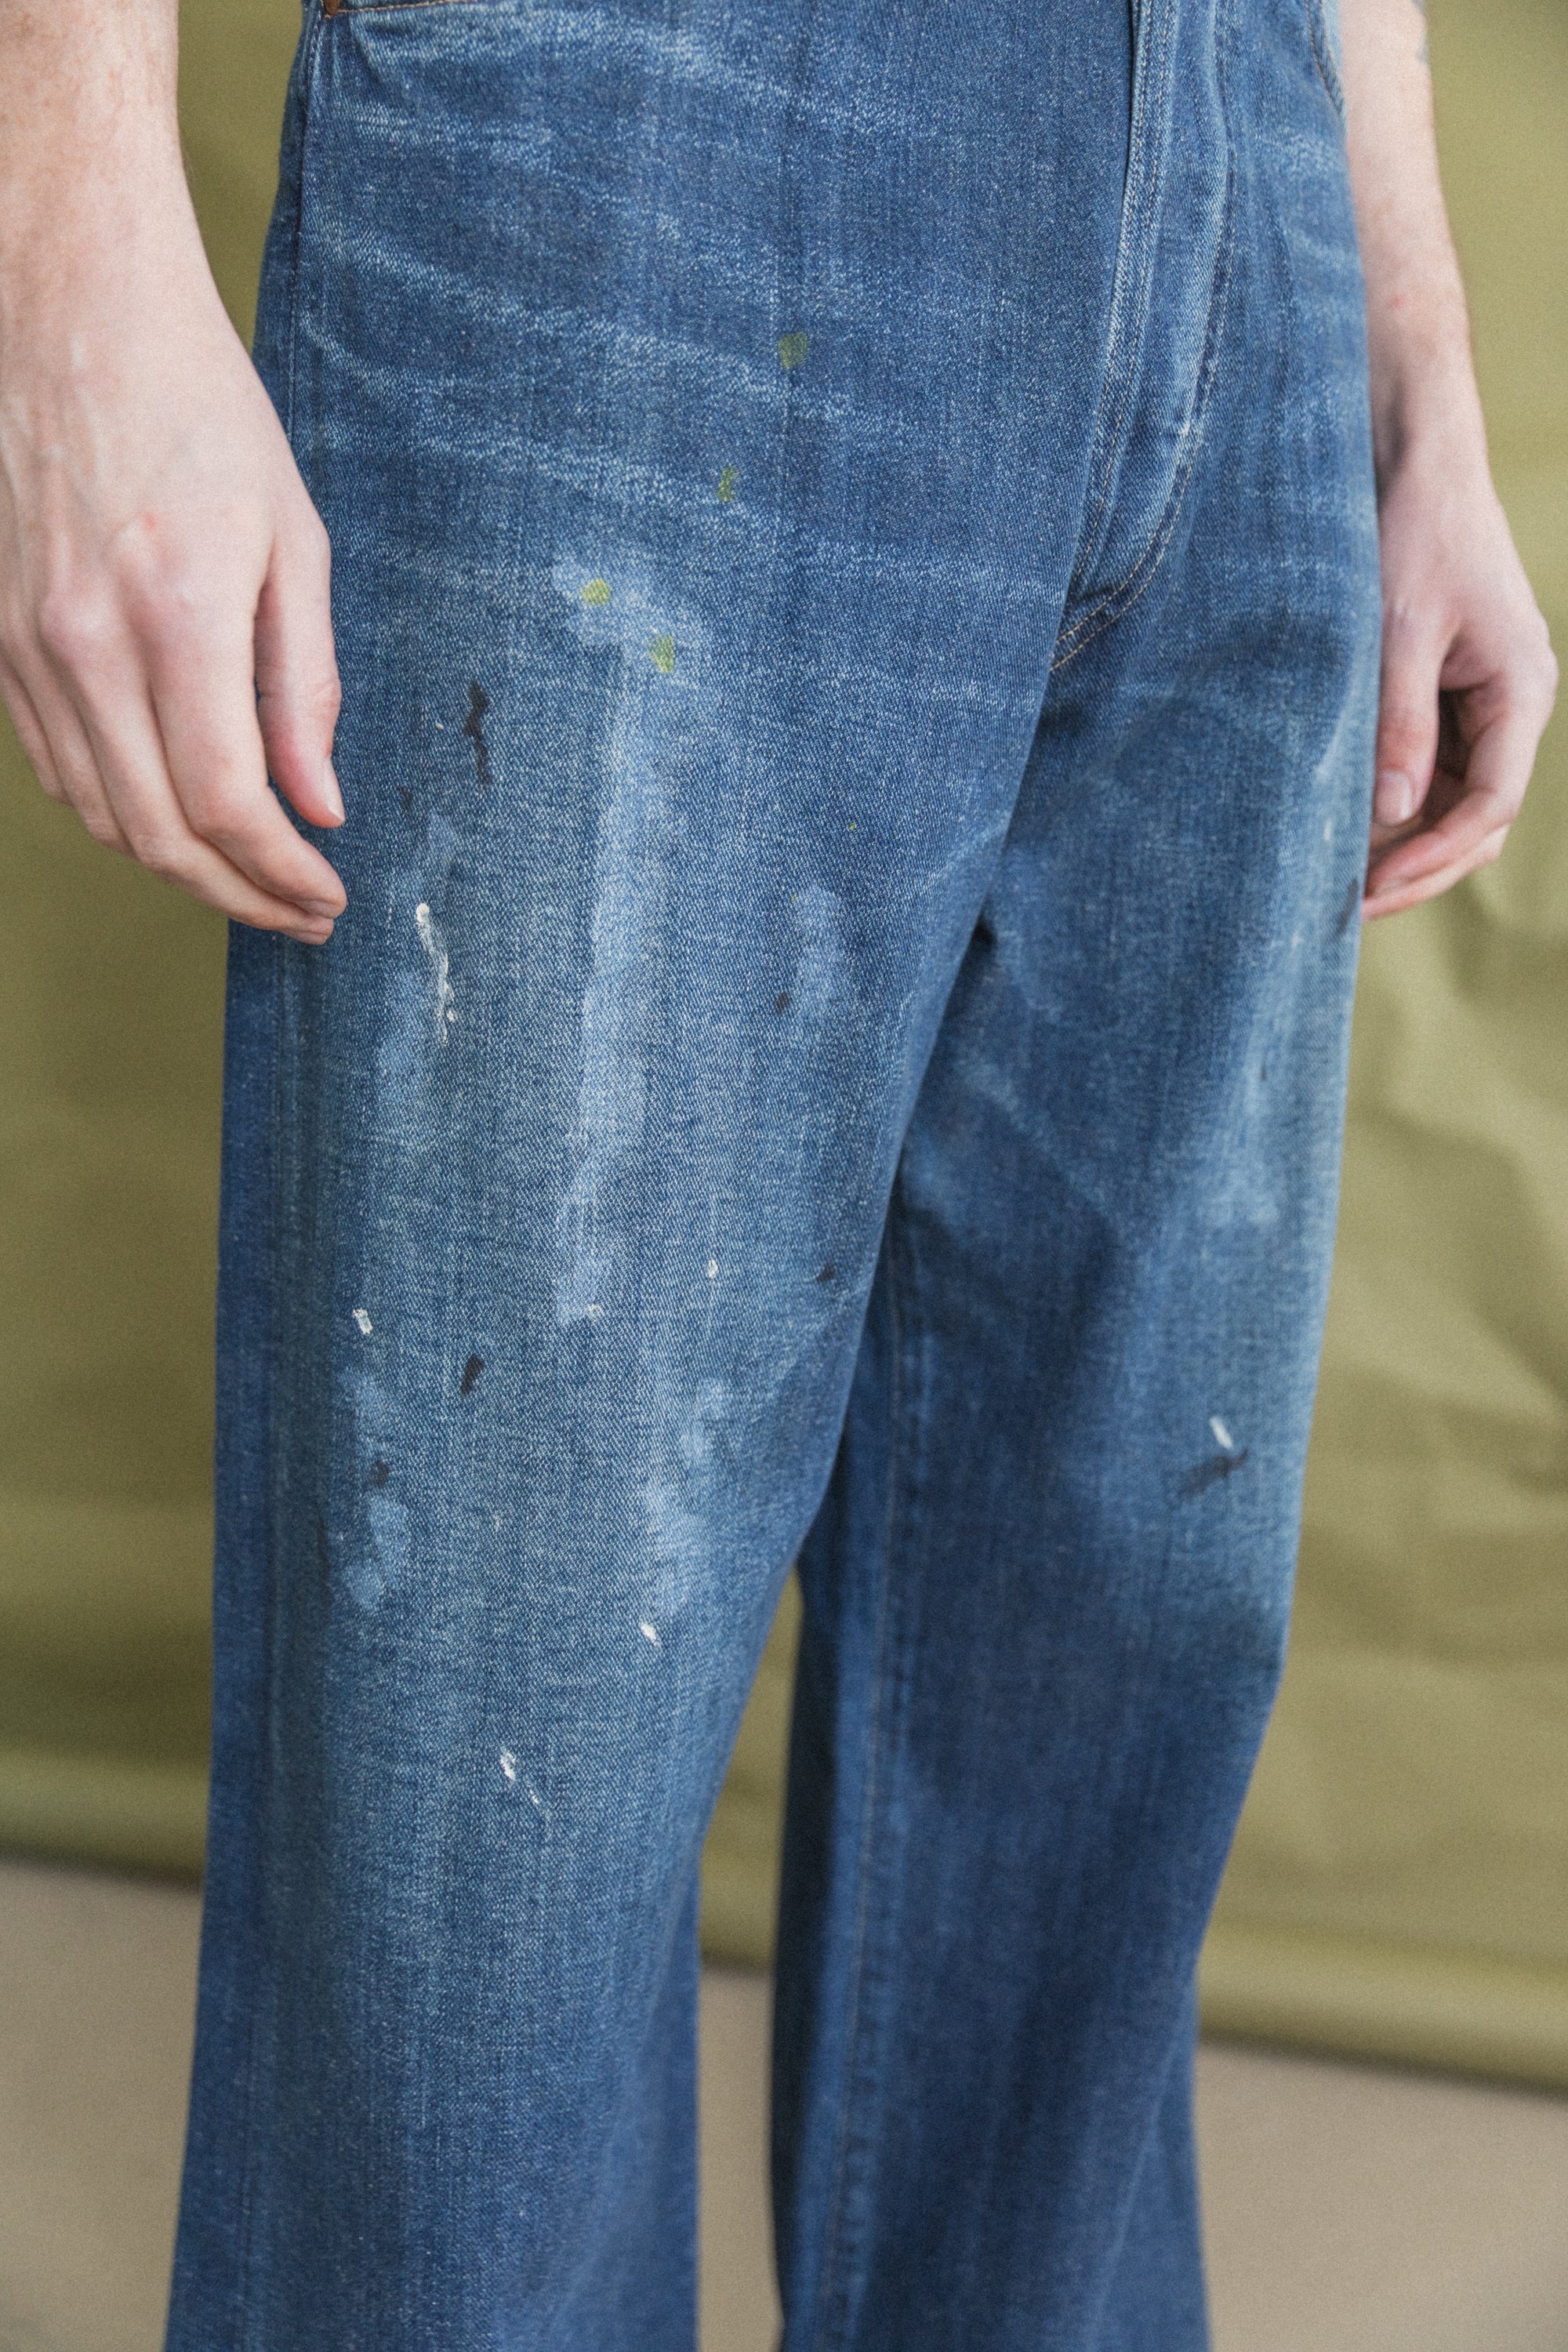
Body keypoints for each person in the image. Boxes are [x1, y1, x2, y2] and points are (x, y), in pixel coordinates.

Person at [0, 0, 1555, 2342]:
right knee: (496, 1774)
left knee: (1110, 1647)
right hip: (647, 131)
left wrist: (1404, 331)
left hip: (1256, 180)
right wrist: (68, 233)